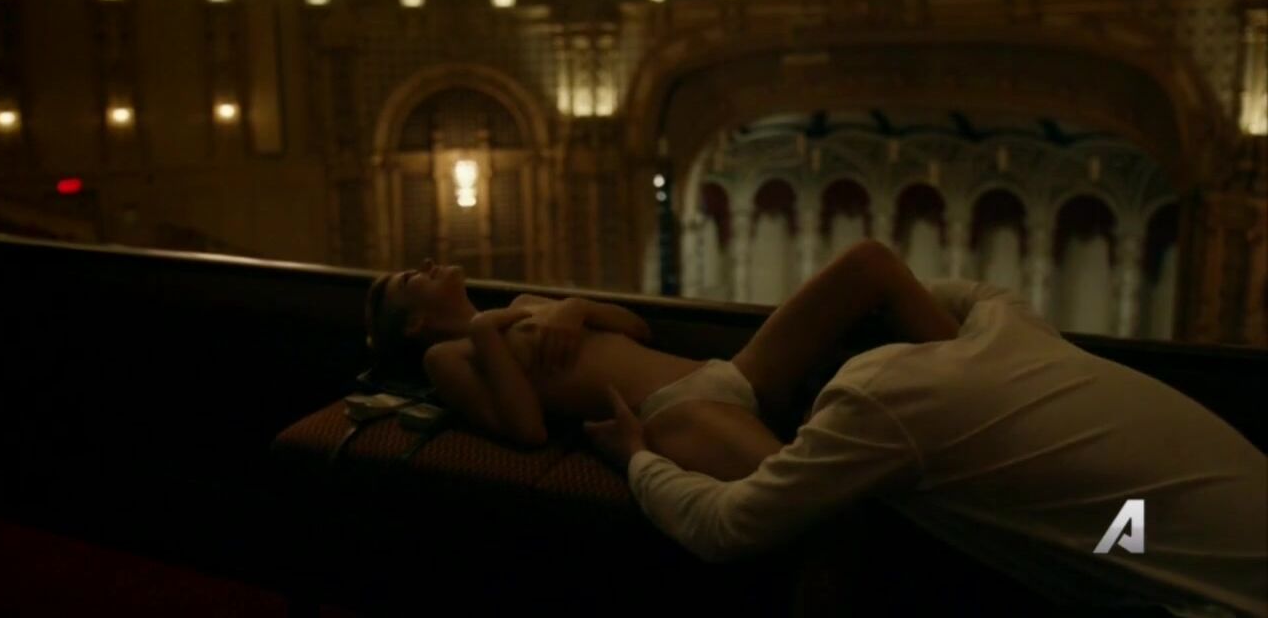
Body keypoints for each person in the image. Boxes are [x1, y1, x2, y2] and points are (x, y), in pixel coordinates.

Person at [581, 258, 1268, 618]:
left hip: (1223, 600)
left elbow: (722, 526)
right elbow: (878, 269)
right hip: (1199, 525)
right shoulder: (1002, 320)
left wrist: (637, 457)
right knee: (1111, 528)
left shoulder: (875, 403)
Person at [364, 240, 960, 480]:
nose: (426, 265)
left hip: (723, 372)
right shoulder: (449, 354)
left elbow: (638, 329)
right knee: (814, 498)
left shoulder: (522, 305)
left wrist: (575, 306)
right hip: (673, 413)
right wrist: (484, 328)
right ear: (414, 323)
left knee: (870, 264)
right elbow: (527, 430)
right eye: (410, 279)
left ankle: (977, 373)